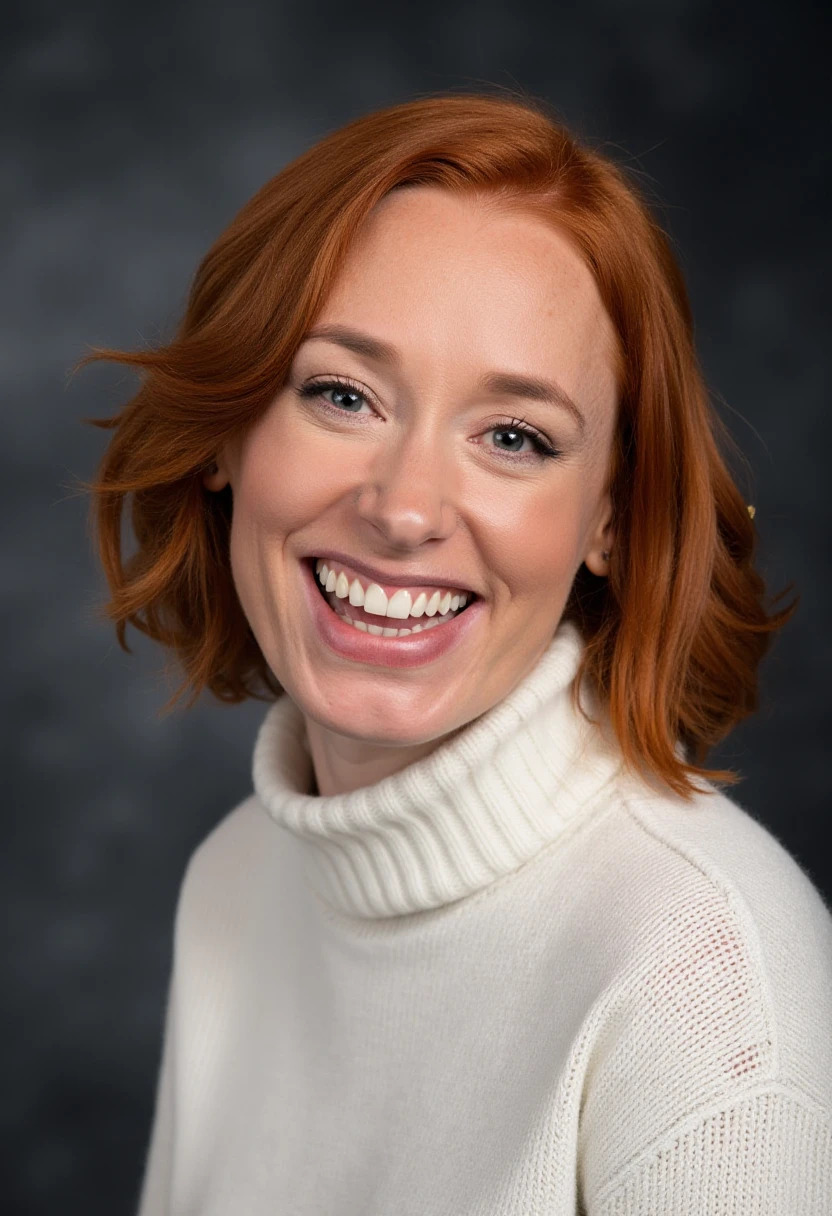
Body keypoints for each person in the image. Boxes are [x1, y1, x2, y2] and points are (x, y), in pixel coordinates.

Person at [78, 92, 832, 1214]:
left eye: (514, 436)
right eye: (343, 394)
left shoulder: (706, 983)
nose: (405, 508)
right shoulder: (236, 883)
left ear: (610, 520)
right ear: (225, 433)